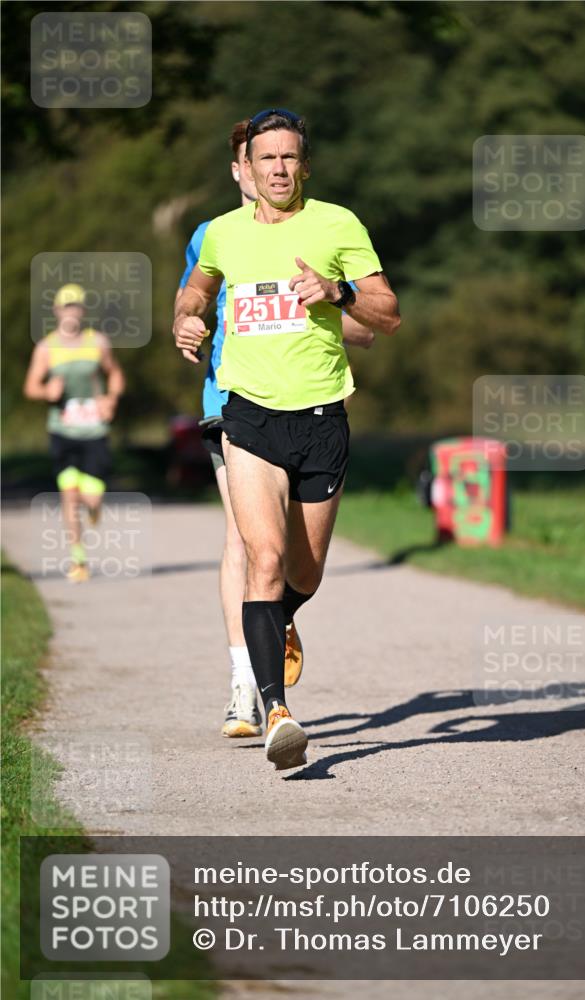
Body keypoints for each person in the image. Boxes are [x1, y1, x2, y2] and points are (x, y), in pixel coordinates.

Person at [173, 109, 399, 771]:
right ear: (248, 166)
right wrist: (186, 323)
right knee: (261, 558)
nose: (277, 169)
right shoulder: (221, 233)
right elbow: (194, 292)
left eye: (288, 159)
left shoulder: (337, 224)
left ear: (304, 164)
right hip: (247, 416)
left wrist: (339, 291)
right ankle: (275, 711)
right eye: (267, 158)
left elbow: (386, 314)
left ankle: (281, 619)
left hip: (322, 416)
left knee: (304, 572)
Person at [24, 283, 125, 582]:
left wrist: (111, 399)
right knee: (70, 495)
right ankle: (78, 559)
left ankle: (94, 508)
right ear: (56, 311)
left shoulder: (98, 342)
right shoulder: (46, 348)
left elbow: (115, 374)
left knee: (90, 498)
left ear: (82, 311)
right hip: (63, 430)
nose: (71, 312)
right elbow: (31, 387)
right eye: (65, 307)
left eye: (76, 306)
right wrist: (46, 391)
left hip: (93, 430)